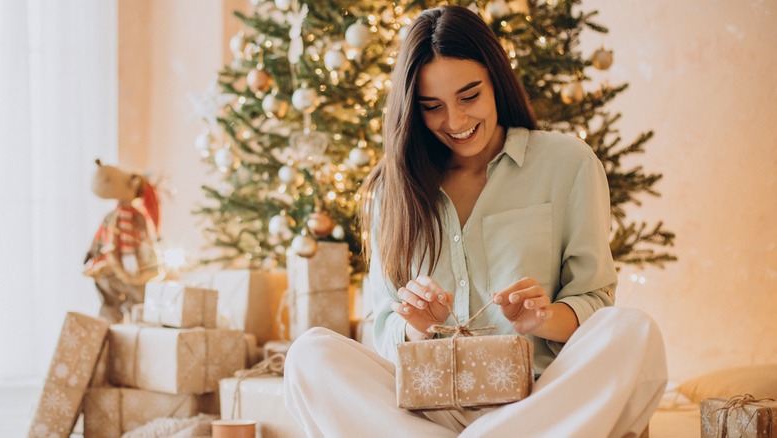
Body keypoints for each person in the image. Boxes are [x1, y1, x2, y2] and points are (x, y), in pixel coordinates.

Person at [285, 5, 667, 437]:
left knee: (633, 331)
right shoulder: (393, 188)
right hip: (426, 410)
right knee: (310, 356)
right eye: (432, 107)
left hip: (539, 403)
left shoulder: (567, 163)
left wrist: (542, 319)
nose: (456, 121)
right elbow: (382, 328)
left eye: (469, 96)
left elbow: (595, 301)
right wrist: (416, 328)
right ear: (413, 109)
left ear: (496, 82)